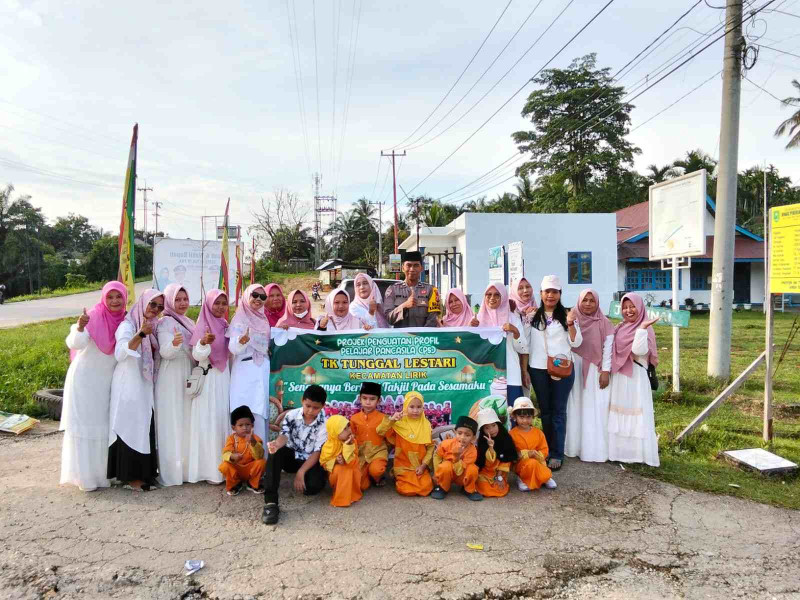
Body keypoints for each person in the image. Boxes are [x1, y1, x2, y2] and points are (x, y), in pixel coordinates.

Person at [60, 281, 127, 492]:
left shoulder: (125, 320)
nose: (115, 301)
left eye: (119, 297)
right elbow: (75, 343)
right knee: (84, 427)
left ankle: (102, 475)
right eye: (110, 297)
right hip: (84, 380)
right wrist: (80, 326)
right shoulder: (94, 316)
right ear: (104, 298)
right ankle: (85, 478)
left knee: (102, 426)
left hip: (105, 382)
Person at [108, 289, 164, 492]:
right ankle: (130, 478)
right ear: (142, 303)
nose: (155, 309)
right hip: (128, 383)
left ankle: (145, 474)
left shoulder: (154, 326)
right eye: (152, 304)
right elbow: (121, 353)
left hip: (144, 384)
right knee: (129, 425)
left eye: (159, 306)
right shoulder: (128, 324)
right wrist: (140, 334)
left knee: (144, 426)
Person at [526, 275, 582, 472]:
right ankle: (547, 449)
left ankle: (557, 453)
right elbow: (525, 343)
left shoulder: (567, 316)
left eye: (554, 292)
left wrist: (571, 324)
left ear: (560, 294)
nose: (550, 296)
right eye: (547, 291)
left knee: (559, 411)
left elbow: (576, 343)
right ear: (540, 294)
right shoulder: (533, 317)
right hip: (538, 368)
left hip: (562, 368)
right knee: (546, 411)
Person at [262, 384, 328, 525]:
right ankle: (270, 502)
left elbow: (318, 452)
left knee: (312, 488)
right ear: (302, 400)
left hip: (310, 460)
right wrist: (277, 444)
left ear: (323, 406)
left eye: (315, 408)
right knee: (275, 453)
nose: (310, 411)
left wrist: (301, 472)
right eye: (307, 405)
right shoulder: (291, 415)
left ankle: (307, 476)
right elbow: (284, 436)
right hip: (291, 456)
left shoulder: (325, 423)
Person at [608, 293, 660, 467]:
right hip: (620, 377)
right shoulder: (620, 327)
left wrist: (642, 328)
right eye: (625, 307)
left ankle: (637, 454)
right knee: (620, 412)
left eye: (632, 307)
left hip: (636, 377)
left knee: (635, 413)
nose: (628, 311)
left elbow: (638, 351)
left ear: (640, 307)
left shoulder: (646, 328)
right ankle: (619, 452)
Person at [187, 289, 231, 485]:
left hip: (224, 377)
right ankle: (208, 470)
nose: (220, 307)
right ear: (208, 304)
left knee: (222, 419)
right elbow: (197, 356)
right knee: (208, 421)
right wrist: (203, 342)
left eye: (224, 303)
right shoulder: (203, 324)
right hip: (208, 378)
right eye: (217, 303)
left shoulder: (225, 324)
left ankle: (224, 468)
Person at [565, 288, 614, 463]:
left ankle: (595, 451)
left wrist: (606, 371)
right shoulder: (571, 319)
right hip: (574, 368)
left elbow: (608, 349)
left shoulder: (604, 322)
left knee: (595, 408)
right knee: (575, 406)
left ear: (597, 302)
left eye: (592, 301)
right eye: (584, 300)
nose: (588, 304)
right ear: (579, 301)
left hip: (595, 370)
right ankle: (573, 448)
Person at [154, 284, 196, 487]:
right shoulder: (164, 323)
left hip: (187, 372)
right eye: (177, 299)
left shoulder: (189, 321)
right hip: (170, 375)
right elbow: (165, 353)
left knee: (186, 420)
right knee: (171, 422)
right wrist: (176, 343)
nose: (182, 303)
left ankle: (186, 470)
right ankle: (171, 473)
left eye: (185, 299)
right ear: (170, 301)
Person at [228, 284, 272, 442]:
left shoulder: (263, 318)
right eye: (255, 295)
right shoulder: (240, 318)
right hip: (245, 375)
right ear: (247, 296)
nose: (258, 299)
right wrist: (242, 341)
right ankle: (242, 461)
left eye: (263, 297)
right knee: (244, 416)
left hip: (262, 372)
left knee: (261, 417)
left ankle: (261, 462)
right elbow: (233, 348)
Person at [474, 283, 528, 403]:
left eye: (496, 295)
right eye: (489, 294)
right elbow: (472, 347)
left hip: (511, 376)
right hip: (484, 377)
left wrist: (515, 331)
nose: (492, 298)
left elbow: (523, 348)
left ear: (503, 297)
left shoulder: (513, 319)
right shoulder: (477, 320)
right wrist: (470, 328)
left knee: (511, 413)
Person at [377, 391, 434, 497]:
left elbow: (430, 448)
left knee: (426, 487)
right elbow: (380, 431)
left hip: (419, 467)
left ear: (423, 408)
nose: (415, 411)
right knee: (405, 490)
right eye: (411, 407)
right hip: (402, 466)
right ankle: (397, 475)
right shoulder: (399, 423)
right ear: (405, 407)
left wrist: (423, 466)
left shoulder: (426, 425)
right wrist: (392, 420)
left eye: (419, 407)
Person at [509, 397, 556, 491]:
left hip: (538, 461)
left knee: (535, 462)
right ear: (515, 417)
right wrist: (525, 454)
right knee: (531, 463)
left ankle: (545, 477)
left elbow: (544, 449)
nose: (525, 421)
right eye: (521, 417)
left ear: (533, 417)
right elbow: (511, 453)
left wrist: (537, 454)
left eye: (528, 417)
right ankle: (523, 478)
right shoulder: (511, 434)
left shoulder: (539, 433)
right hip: (521, 464)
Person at [218, 405, 266, 496]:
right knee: (224, 465)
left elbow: (259, 456)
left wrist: (252, 442)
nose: (244, 428)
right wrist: (232, 456)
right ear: (234, 428)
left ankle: (252, 484)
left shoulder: (255, 438)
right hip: (236, 469)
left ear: (252, 426)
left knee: (262, 462)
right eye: (240, 425)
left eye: (247, 425)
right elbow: (225, 453)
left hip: (250, 469)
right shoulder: (231, 439)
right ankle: (235, 484)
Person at [383, 251, 440, 328]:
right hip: (401, 338)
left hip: (423, 338)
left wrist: (421, 337)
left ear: (421, 268)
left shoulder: (431, 290)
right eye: (408, 265)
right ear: (403, 268)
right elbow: (388, 318)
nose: (412, 269)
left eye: (416, 265)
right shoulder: (392, 290)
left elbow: (433, 320)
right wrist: (404, 306)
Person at [349, 382, 389, 490]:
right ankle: (368, 474)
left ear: (378, 400)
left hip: (377, 452)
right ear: (359, 398)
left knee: (376, 470)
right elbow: (351, 437)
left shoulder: (383, 418)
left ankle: (377, 477)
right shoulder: (354, 418)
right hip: (361, 454)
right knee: (362, 486)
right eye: (365, 398)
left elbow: (390, 438)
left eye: (372, 399)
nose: (368, 402)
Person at [431, 416, 480, 501]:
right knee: (445, 466)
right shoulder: (446, 444)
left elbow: (460, 471)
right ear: (454, 432)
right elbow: (437, 456)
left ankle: (468, 489)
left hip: (461, 475)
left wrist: (457, 457)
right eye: (459, 433)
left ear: (473, 438)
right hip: (447, 474)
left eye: (467, 435)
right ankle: (442, 488)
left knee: (473, 469)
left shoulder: (473, 451)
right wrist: (436, 472)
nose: (462, 437)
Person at [319, 415, 363, 507]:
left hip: (352, 469)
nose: (349, 430)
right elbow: (323, 463)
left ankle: (352, 494)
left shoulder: (351, 441)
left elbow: (351, 461)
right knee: (342, 470)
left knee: (351, 468)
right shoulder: (329, 446)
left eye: (348, 427)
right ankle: (341, 499)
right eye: (344, 429)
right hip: (336, 476)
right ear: (335, 432)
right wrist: (336, 461)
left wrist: (348, 445)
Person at [475, 407, 517, 498]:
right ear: (483, 430)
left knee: (499, 489)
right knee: (483, 487)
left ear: (498, 424)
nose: (491, 430)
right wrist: (490, 447)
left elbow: (507, 459)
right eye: (487, 428)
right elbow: (482, 462)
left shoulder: (506, 438)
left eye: (494, 425)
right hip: (486, 473)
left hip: (500, 472)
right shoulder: (482, 442)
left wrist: (499, 477)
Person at [509, 277, 537, 396]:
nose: (525, 290)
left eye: (528, 287)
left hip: (532, 361)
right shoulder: (509, 312)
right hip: (512, 362)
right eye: (520, 288)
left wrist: (532, 317)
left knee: (525, 398)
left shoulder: (536, 310)